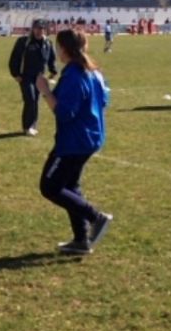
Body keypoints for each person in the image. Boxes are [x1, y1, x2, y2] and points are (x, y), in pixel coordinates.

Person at [36, 29, 113, 255]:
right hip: (91, 137)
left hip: (74, 142)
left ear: (64, 49)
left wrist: (45, 91)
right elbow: (104, 100)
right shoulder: (93, 72)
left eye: (58, 46)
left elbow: (64, 113)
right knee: (70, 186)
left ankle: (96, 217)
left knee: (50, 187)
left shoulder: (74, 75)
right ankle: (81, 240)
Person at [8, 19, 57, 136]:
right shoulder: (23, 42)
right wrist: (16, 74)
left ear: (45, 29)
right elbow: (14, 58)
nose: (39, 31)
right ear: (33, 29)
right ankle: (27, 127)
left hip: (39, 77)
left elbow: (51, 59)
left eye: (41, 28)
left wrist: (53, 71)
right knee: (30, 99)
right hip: (25, 76)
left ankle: (32, 126)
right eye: (37, 28)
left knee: (36, 100)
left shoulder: (48, 43)